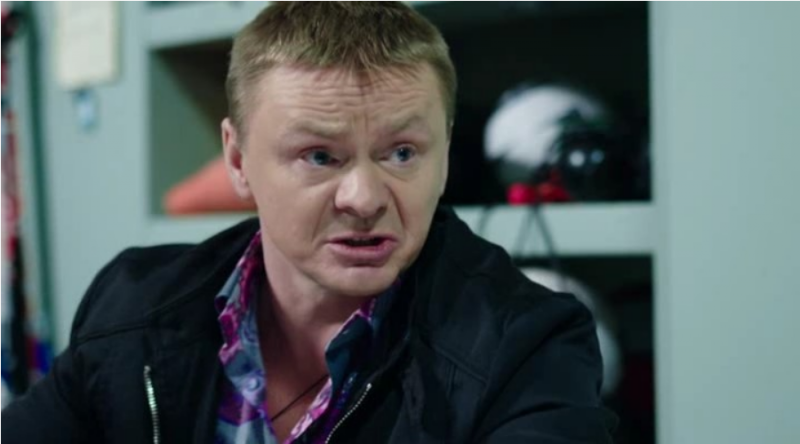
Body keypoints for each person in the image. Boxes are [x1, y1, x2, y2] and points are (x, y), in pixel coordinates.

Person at [2, 2, 616, 443]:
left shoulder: (527, 345)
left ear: (446, 153)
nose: (365, 198)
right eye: (320, 156)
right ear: (238, 161)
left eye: (402, 152)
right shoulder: (135, 306)